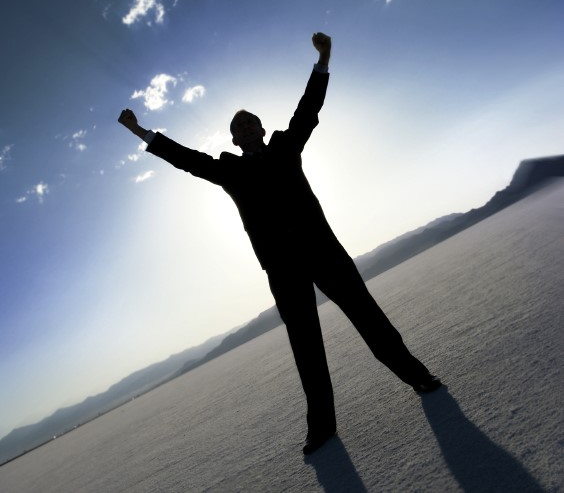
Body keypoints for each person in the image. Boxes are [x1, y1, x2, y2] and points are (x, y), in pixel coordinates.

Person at [118, 32, 441, 455]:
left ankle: (417, 376)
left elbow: (308, 109)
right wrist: (140, 131)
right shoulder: (229, 171)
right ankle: (322, 426)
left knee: (369, 317)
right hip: (282, 268)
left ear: (261, 129)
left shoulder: (286, 147)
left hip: (324, 251)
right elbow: (187, 159)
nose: (246, 130)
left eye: (250, 123)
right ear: (234, 140)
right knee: (306, 346)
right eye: (239, 128)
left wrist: (323, 60)